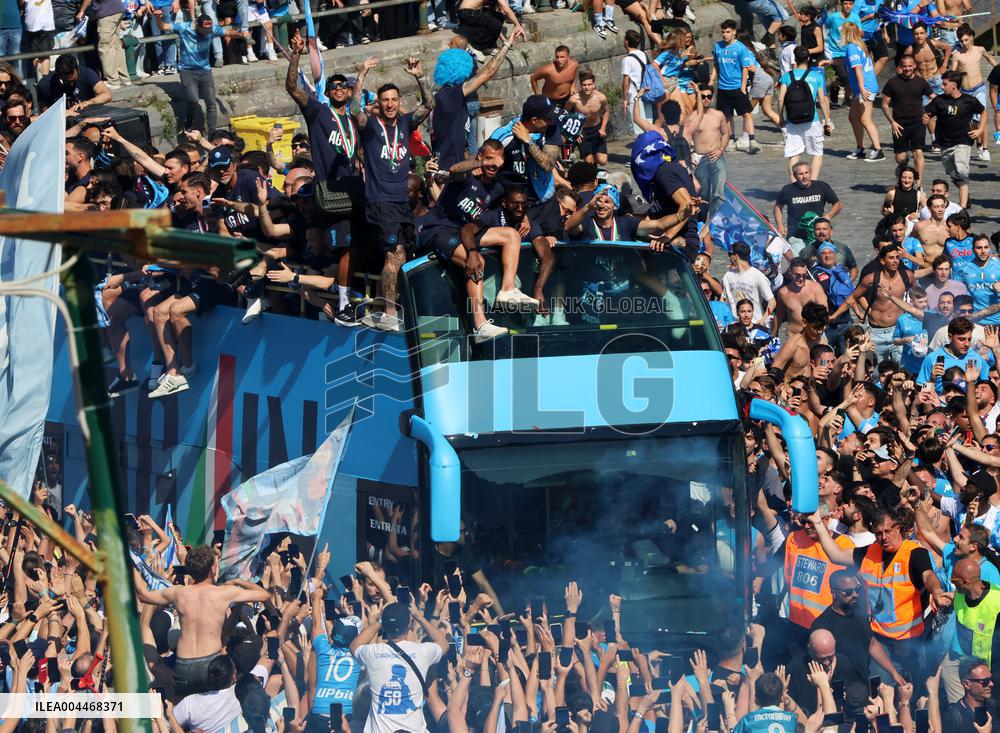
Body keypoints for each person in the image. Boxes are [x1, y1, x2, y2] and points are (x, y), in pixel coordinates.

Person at [416, 141, 539, 342]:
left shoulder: (498, 186)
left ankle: (508, 289)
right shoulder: (465, 177)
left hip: (465, 231)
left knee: (511, 235)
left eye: (497, 160)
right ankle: (480, 325)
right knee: (476, 262)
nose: (493, 165)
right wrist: (479, 162)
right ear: (480, 155)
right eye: (489, 158)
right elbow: (455, 169)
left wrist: (524, 217)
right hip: (439, 230)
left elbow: (516, 200)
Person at [809, 508, 949, 684]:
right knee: (881, 687)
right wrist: (817, 523)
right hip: (880, 639)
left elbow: (928, 575)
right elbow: (836, 555)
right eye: (878, 533)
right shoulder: (868, 552)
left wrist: (937, 592)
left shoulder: (914, 553)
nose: (883, 537)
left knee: (916, 689)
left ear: (898, 528)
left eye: (888, 531)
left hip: (910, 641)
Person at [352, 54, 433, 332]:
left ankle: (385, 305)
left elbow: (429, 104)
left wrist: (420, 76)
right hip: (380, 200)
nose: (389, 104)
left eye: (394, 100)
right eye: (385, 100)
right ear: (379, 102)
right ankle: (389, 312)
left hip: (401, 202)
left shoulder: (406, 123)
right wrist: (361, 75)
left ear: (399, 102)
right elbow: (354, 112)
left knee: (401, 256)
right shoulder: (372, 127)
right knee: (392, 255)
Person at [133, 544, 269, 698]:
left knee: (182, 709)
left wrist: (131, 564)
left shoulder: (178, 592)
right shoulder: (224, 593)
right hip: (211, 665)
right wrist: (239, 581)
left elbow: (144, 595)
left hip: (184, 667)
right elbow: (264, 595)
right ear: (212, 569)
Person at [351, 601, 448, 733]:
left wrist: (379, 621)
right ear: (410, 624)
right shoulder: (422, 652)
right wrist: (419, 617)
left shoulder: (373, 653)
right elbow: (443, 643)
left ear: (385, 626)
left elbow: (354, 646)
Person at [432, 35, 518, 170]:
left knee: (472, 140)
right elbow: (487, 72)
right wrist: (506, 45)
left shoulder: (447, 94)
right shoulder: (452, 95)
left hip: (454, 164)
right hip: (447, 169)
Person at [153, 12, 248, 133]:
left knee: (211, 104)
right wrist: (157, 17)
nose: (205, 34)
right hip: (187, 71)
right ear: (196, 25)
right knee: (193, 99)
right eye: (203, 31)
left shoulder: (212, 29)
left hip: (205, 71)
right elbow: (163, 27)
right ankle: (188, 120)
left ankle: (212, 135)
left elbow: (229, 32)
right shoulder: (184, 27)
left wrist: (241, 35)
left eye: (207, 31)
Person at [812, 569, 906, 688]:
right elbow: (820, 662)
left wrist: (893, 673)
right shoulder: (822, 626)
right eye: (848, 592)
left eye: (857, 589)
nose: (855, 594)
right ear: (833, 593)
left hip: (862, 682)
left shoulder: (858, 612)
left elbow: (872, 644)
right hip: (840, 687)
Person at [830, 245, 914, 362]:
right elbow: (853, 298)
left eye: (897, 257)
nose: (895, 261)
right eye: (891, 258)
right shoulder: (871, 279)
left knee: (901, 371)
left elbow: (918, 296)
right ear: (883, 261)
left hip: (898, 331)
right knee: (874, 372)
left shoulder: (907, 276)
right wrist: (834, 315)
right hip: (876, 333)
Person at [923, 70, 986, 210]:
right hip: (945, 144)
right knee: (953, 175)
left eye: (944, 84)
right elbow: (928, 113)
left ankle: (962, 209)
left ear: (954, 85)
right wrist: (926, 117)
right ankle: (965, 193)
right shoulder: (939, 100)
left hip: (963, 142)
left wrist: (980, 129)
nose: (942, 87)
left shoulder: (968, 100)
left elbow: (983, 111)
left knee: (962, 173)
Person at [776, 45, 832, 181]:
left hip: (793, 120)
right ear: (808, 58)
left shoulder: (786, 76)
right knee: (816, 153)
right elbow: (822, 100)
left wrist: (781, 117)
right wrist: (827, 120)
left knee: (794, 154)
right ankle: (811, 183)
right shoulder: (816, 76)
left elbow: (780, 98)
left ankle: (794, 184)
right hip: (812, 120)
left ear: (795, 59)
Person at [882, 55, 934, 184]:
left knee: (919, 153)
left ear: (914, 66)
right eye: (904, 66)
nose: (907, 69)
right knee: (901, 158)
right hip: (899, 124)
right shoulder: (892, 82)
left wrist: (928, 113)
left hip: (918, 122)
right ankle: (903, 165)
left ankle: (917, 185)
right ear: (901, 66)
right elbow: (884, 104)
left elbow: (934, 98)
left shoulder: (921, 82)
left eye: (910, 66)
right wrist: (892, 122)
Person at [949, 23, 995, 161]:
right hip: (966, 91)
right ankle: (979, 143)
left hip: (979, 88)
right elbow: (953, 72)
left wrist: (997, 67)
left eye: (966, 40)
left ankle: (985, 148)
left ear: (971, 37)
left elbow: (989, 58)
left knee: (982, 118)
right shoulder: (957, 55)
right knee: (972, 122)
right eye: (961, 41)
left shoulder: (979, 49)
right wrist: (955, 76)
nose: (964, 43)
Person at [683, 84, 728, 220]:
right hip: (700, 159)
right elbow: (685, 140)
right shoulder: (692, 118)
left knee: (719, 191)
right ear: (698, 97)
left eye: (709, 96)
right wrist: (690, 158)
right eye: (703, 96)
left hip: (716, 156)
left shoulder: (719, 115)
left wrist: (721, 150)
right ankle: (701, 222)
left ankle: (715, 223)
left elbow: (726, 133)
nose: (706, 99)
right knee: (703, 194)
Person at [713, 19, 758, 153]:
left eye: (728, 32)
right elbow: (716, 63)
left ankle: (752, 140)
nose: (725, 35)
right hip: (722, 87)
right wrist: (713, 78)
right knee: (726, 116)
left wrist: (743, 87)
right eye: (723, 32)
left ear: (733, 32)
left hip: (737, 87)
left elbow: (745, 68)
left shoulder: (740, 48)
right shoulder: (717, 46)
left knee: (747, 113)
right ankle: (730, 140)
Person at [842, 22, 884, 161]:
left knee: (865, 119)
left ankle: (878, 150)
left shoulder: (852, 48)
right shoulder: (860, 45)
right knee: (853, 117)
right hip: (858, 87)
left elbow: (858, 68)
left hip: (864, 87)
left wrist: (861, 88)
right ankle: (860, 148)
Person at [773, 163, 842, 243]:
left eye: (806, 173)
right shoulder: (788, 190)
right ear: (795, 176)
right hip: (796, 235)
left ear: (810, 173)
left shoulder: (821, 186)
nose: (804, 176)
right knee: (801, 255)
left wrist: (828, 216)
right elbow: (778, 206)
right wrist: (780, 226)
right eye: (801, 174)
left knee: (825, 255)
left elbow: (838, 204)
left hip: (818, 234)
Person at [918, 317, 991, 392]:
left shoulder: (977, 359)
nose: (967, 344)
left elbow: (987, 387)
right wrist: (931, 379)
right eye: (962, 339)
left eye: (969, 339)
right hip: (939, 403)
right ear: (950, 337)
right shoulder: (932, 358)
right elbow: (921, 387)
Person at [941, 656, 1000, 732]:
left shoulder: (993, 706)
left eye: (991, 679)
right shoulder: (952, 718)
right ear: (966, 684)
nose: (991, 684)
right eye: (985, 681)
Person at [722, 242, 775, 327]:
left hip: (756, 325)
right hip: (736, 327)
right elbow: (723, 300)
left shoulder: (757, 275)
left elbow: (772, 302)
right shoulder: (727, 276)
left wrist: (762, 321)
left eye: (729, 254)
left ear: (735, 256)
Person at [37, 54, 112, 112]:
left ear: (77, 69)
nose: (72, 84)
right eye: (67, 81)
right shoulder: (45, 84)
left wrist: (88, 103)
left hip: (88, 116)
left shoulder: (87, 73)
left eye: (75, 80)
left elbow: (107, 95)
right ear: (58, 75)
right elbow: (44, 112)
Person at [772, 258, 828, 336]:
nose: (801, 279)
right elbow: (779, 317)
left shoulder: (815, 287)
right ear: (790, 272)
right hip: (794, 335)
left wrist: (820, 329)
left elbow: (825, 312)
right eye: (797, 275)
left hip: (815, 335)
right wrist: (771, 336)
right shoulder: (783, 293)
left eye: (804, 275)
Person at [565, 70, 610, 166]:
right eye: (584, 85)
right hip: (582, 132)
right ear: (580, 85)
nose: (587, 87)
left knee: (602, 161)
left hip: (597, 129)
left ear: (593, 84)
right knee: (589, 162)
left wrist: (603, 128)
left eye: (589, 84)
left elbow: (606, 111)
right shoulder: (574, 99)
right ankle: (591, 177)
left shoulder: (600, 97)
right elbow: (564, 114)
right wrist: (575, 132)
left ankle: (592, 162)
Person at [530, 45, 579, 110]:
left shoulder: (574, 65)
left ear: (568, 57)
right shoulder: (548, 70)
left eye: (562, 57)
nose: (559, 60)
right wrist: (538, 96)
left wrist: (573, 86)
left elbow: (574, 73)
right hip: (551, 101)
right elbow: (533, 78)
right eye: (557, 57)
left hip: (567, 98)